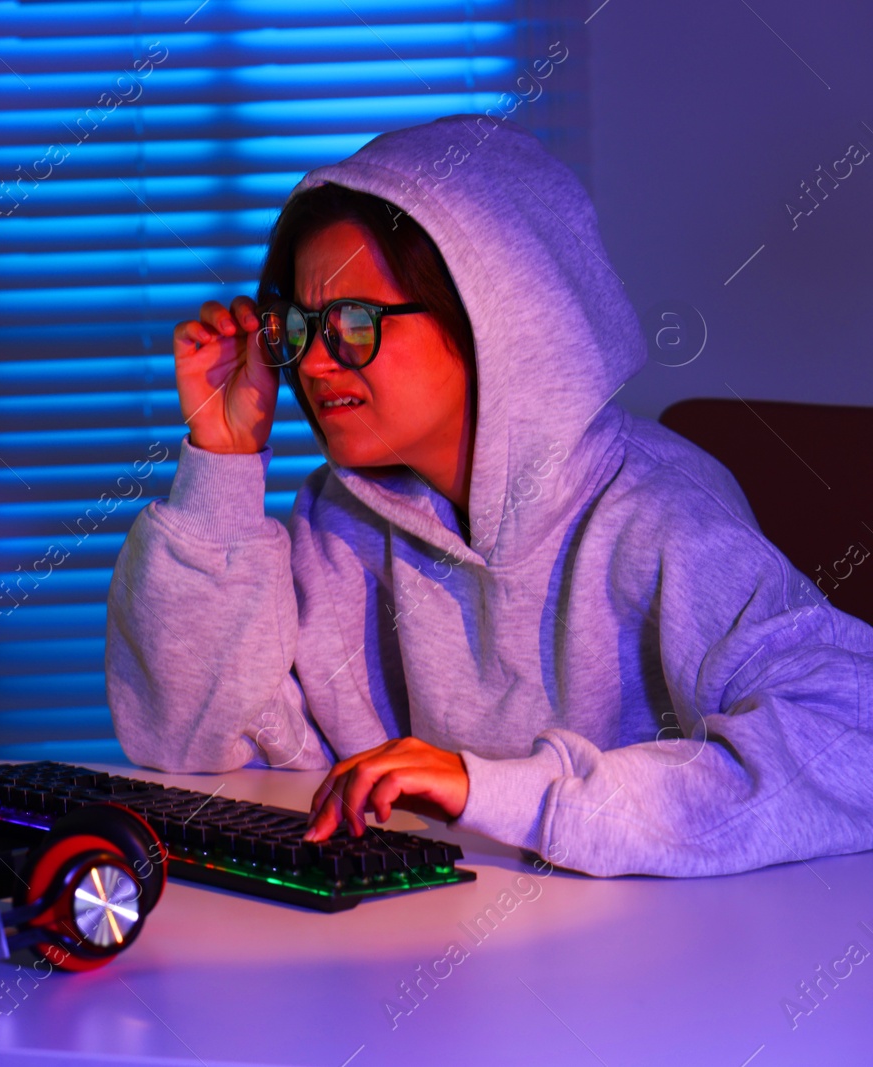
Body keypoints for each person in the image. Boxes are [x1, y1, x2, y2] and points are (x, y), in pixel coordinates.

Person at [104, 114, 873, 877]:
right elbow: (185, 740)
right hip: (417, 953)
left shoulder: (660, 514)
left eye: (354, 322)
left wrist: (497, 790)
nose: (313, 363)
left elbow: (854, 741)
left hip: (646, 968)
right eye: (301, 327)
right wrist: (223, 459)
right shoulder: (337, 521)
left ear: (495, 313)